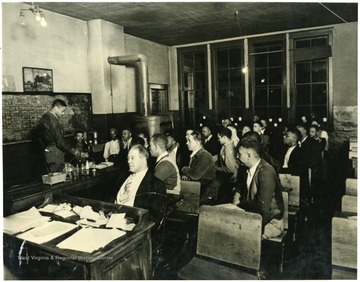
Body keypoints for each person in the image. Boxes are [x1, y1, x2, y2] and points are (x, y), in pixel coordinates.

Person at [232, 139, 284, 239]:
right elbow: (240, 186)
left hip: (271, 222)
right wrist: (236, 195)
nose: (237, 156)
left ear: (249, 156)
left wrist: (239, 205)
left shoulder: (265, 172)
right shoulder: (245, 168)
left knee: (238, 236)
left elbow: (262, 207)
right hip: (252, 216)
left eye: (239, 154)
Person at [113, 144, 166, 227]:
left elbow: (154, 217)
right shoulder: (122, 177)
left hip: (134, 227)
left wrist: (129, 222)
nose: (128, 161)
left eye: (132, 158)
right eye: (128, 158)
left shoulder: (156, 185)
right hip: (112, 220)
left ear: (143, 158)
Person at [38, 99, 85, 173]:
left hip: (48, 152)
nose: (63, 114)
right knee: (58, 177)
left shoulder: (44, 118)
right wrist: (74, 151)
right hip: (55, 153)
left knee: (53, 176)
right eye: (62, 111)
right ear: (56, 108)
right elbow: (60, 142)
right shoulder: (53, 121)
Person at [181, 131, 216, 198]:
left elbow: (195, 175)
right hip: (198, 187)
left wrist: (184, 169)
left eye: (189, 141)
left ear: (198, 142)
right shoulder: (196, 155)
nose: (187, 143)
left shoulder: (205, 156)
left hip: (205, 192)